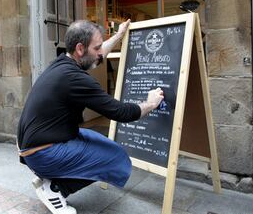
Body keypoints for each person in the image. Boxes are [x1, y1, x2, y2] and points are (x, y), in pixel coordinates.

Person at [17, 20, 164, 214]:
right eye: (97, 47)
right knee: (116, 159)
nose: (100, 52)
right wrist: (152, 103)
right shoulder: (76, 79)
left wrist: (119, 36)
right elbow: (121, 112)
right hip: (41, 153)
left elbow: (97, 55)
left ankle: (51, 177)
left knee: (105, 145)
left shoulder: (63, 62)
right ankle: (55, 189)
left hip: (33, 145)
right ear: (80, 48)